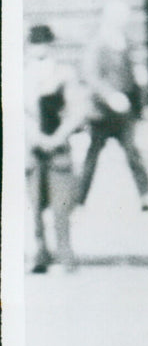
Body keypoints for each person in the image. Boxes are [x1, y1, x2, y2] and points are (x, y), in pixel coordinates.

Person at [76, 0, 148, 210]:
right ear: (108, 18)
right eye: (118, 16)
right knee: (91, 157)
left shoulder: (126, 41)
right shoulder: (97, 44)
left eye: (124, 17)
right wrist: (110, 96)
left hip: (124, 112)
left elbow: (133, 73)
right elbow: (91, 76)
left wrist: (141, 89)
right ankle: (77, 199)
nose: (122, 21)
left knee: (132, 152)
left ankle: (146, 195)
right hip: (101, 113)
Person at [24, 24, 87, 272]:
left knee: (61, 204)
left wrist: (58, 137)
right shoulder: (21, 75)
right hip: (31, 148)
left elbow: (77, 110)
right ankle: (40, 254)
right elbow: (18, 112)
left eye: (45, 44)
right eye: (35, 43)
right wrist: (35, 136)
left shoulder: (64, 74)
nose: (40, 48)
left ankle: (65, 255)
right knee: (34, 204)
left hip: (58, 147)